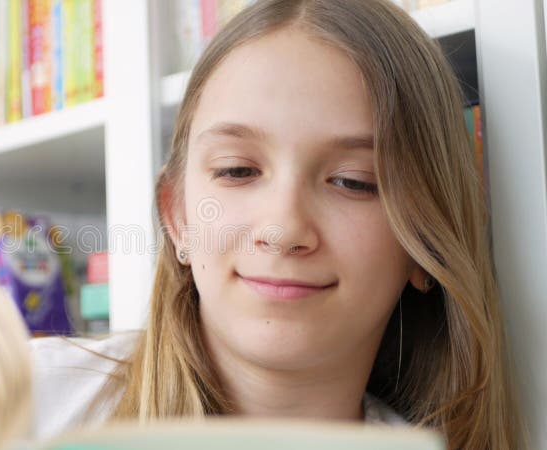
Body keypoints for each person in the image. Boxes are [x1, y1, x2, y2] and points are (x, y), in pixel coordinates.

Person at [30, 1, 524, 448]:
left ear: (425, 245)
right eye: (237, 171)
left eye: (353, 182)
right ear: (176, 216)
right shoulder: (23, 403)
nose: (283, 230)